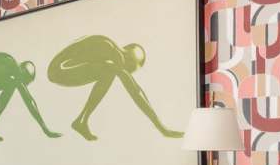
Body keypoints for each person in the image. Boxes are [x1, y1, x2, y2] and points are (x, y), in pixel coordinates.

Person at [46, 35, 183, 141]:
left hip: (63, 68)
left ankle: (81, 121)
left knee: (108, 70)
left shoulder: (110, 51)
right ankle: (81, 121)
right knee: (110, 69)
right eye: (130, 68)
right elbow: (135, 91)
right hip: (58, 70)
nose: (126, 72)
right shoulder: (110, 49)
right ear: (128, 57)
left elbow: (134, 89)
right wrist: (162, 128)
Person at [0, 52, 60, 141]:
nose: (22, 84)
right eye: (24, 80)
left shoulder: (10, 67)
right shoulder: (11, 64)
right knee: (11, 83)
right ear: (22, 70)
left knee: (11, 82)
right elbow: (29, 100)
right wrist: (45, 129)